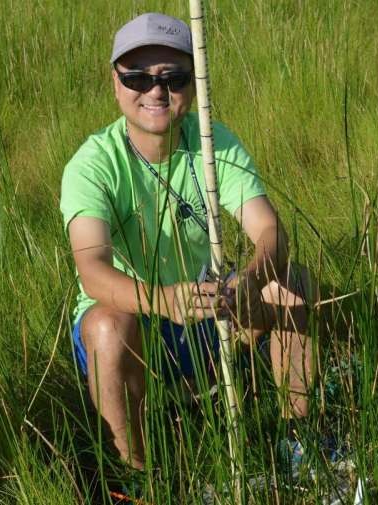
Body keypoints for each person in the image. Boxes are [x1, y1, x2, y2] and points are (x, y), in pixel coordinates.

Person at [60, 12, 318, 475]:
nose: (155, 91)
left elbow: (271, 233)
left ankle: (300, 447)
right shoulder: (93, 164)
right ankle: (138, 476)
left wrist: (252, 282)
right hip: (135, 320)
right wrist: (163, 301)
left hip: (206, 307)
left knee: (291, 285)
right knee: (106, 327)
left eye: (172, 78)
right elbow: (92, 270)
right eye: (137, 77)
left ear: (193, 84)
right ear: (116, 83)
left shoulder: (213, 143)